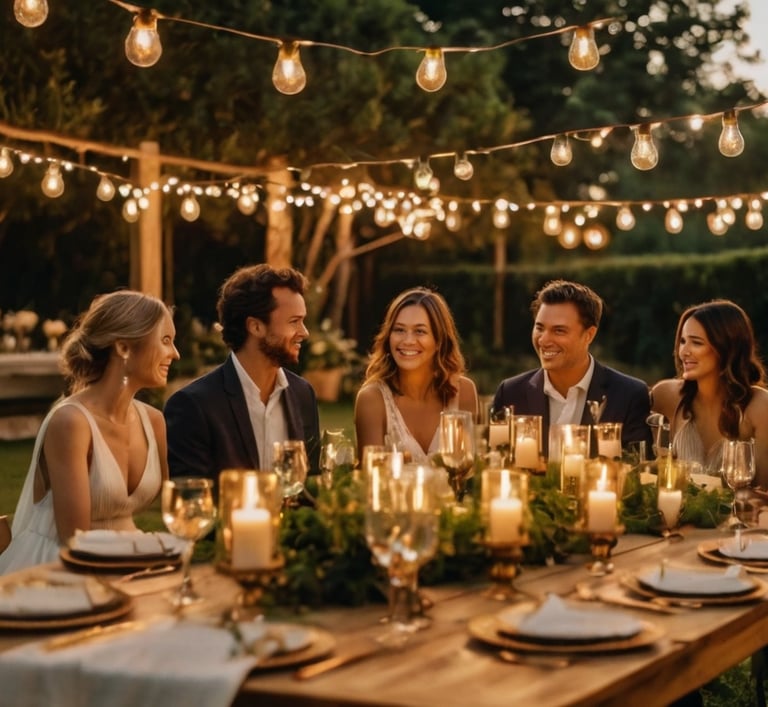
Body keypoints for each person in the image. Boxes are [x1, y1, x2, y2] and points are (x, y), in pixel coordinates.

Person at [0, 290, 178, 574]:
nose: (175, 353)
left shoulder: (154, 422)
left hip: (129, 561)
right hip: (61, 568)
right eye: (166, 340)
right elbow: (76, 539)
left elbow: (179, 504)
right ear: (123, 347)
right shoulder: (71, 422)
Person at [164, 264, 321, 481]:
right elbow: (192, 500)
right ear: (255, 327)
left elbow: (310, 485)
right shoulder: (193, 406)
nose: (304, 332)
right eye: (294, 321)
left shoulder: (302, 394)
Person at [492, 279, 653, 457]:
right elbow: (495, 464)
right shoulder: (510, 393)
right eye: (540, 328)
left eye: (559, 330)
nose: (544, 340)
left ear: (589, 335)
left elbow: (637, 473)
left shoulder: (629, 395)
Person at [354, 286, 479, 463]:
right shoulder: (372, 400)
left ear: (439, 341)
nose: (408, 341)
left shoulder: (464, 393)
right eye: (399, 330)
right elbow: (370, 480)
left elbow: (471, 474)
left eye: (420, 331)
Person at [650, 299, 768, 486]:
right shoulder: (666, 396)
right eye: (682, 341)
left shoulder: (759, 406)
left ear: (726, 348)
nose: (684, 352)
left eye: (696, 343)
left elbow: (763, 493)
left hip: (740, 515)